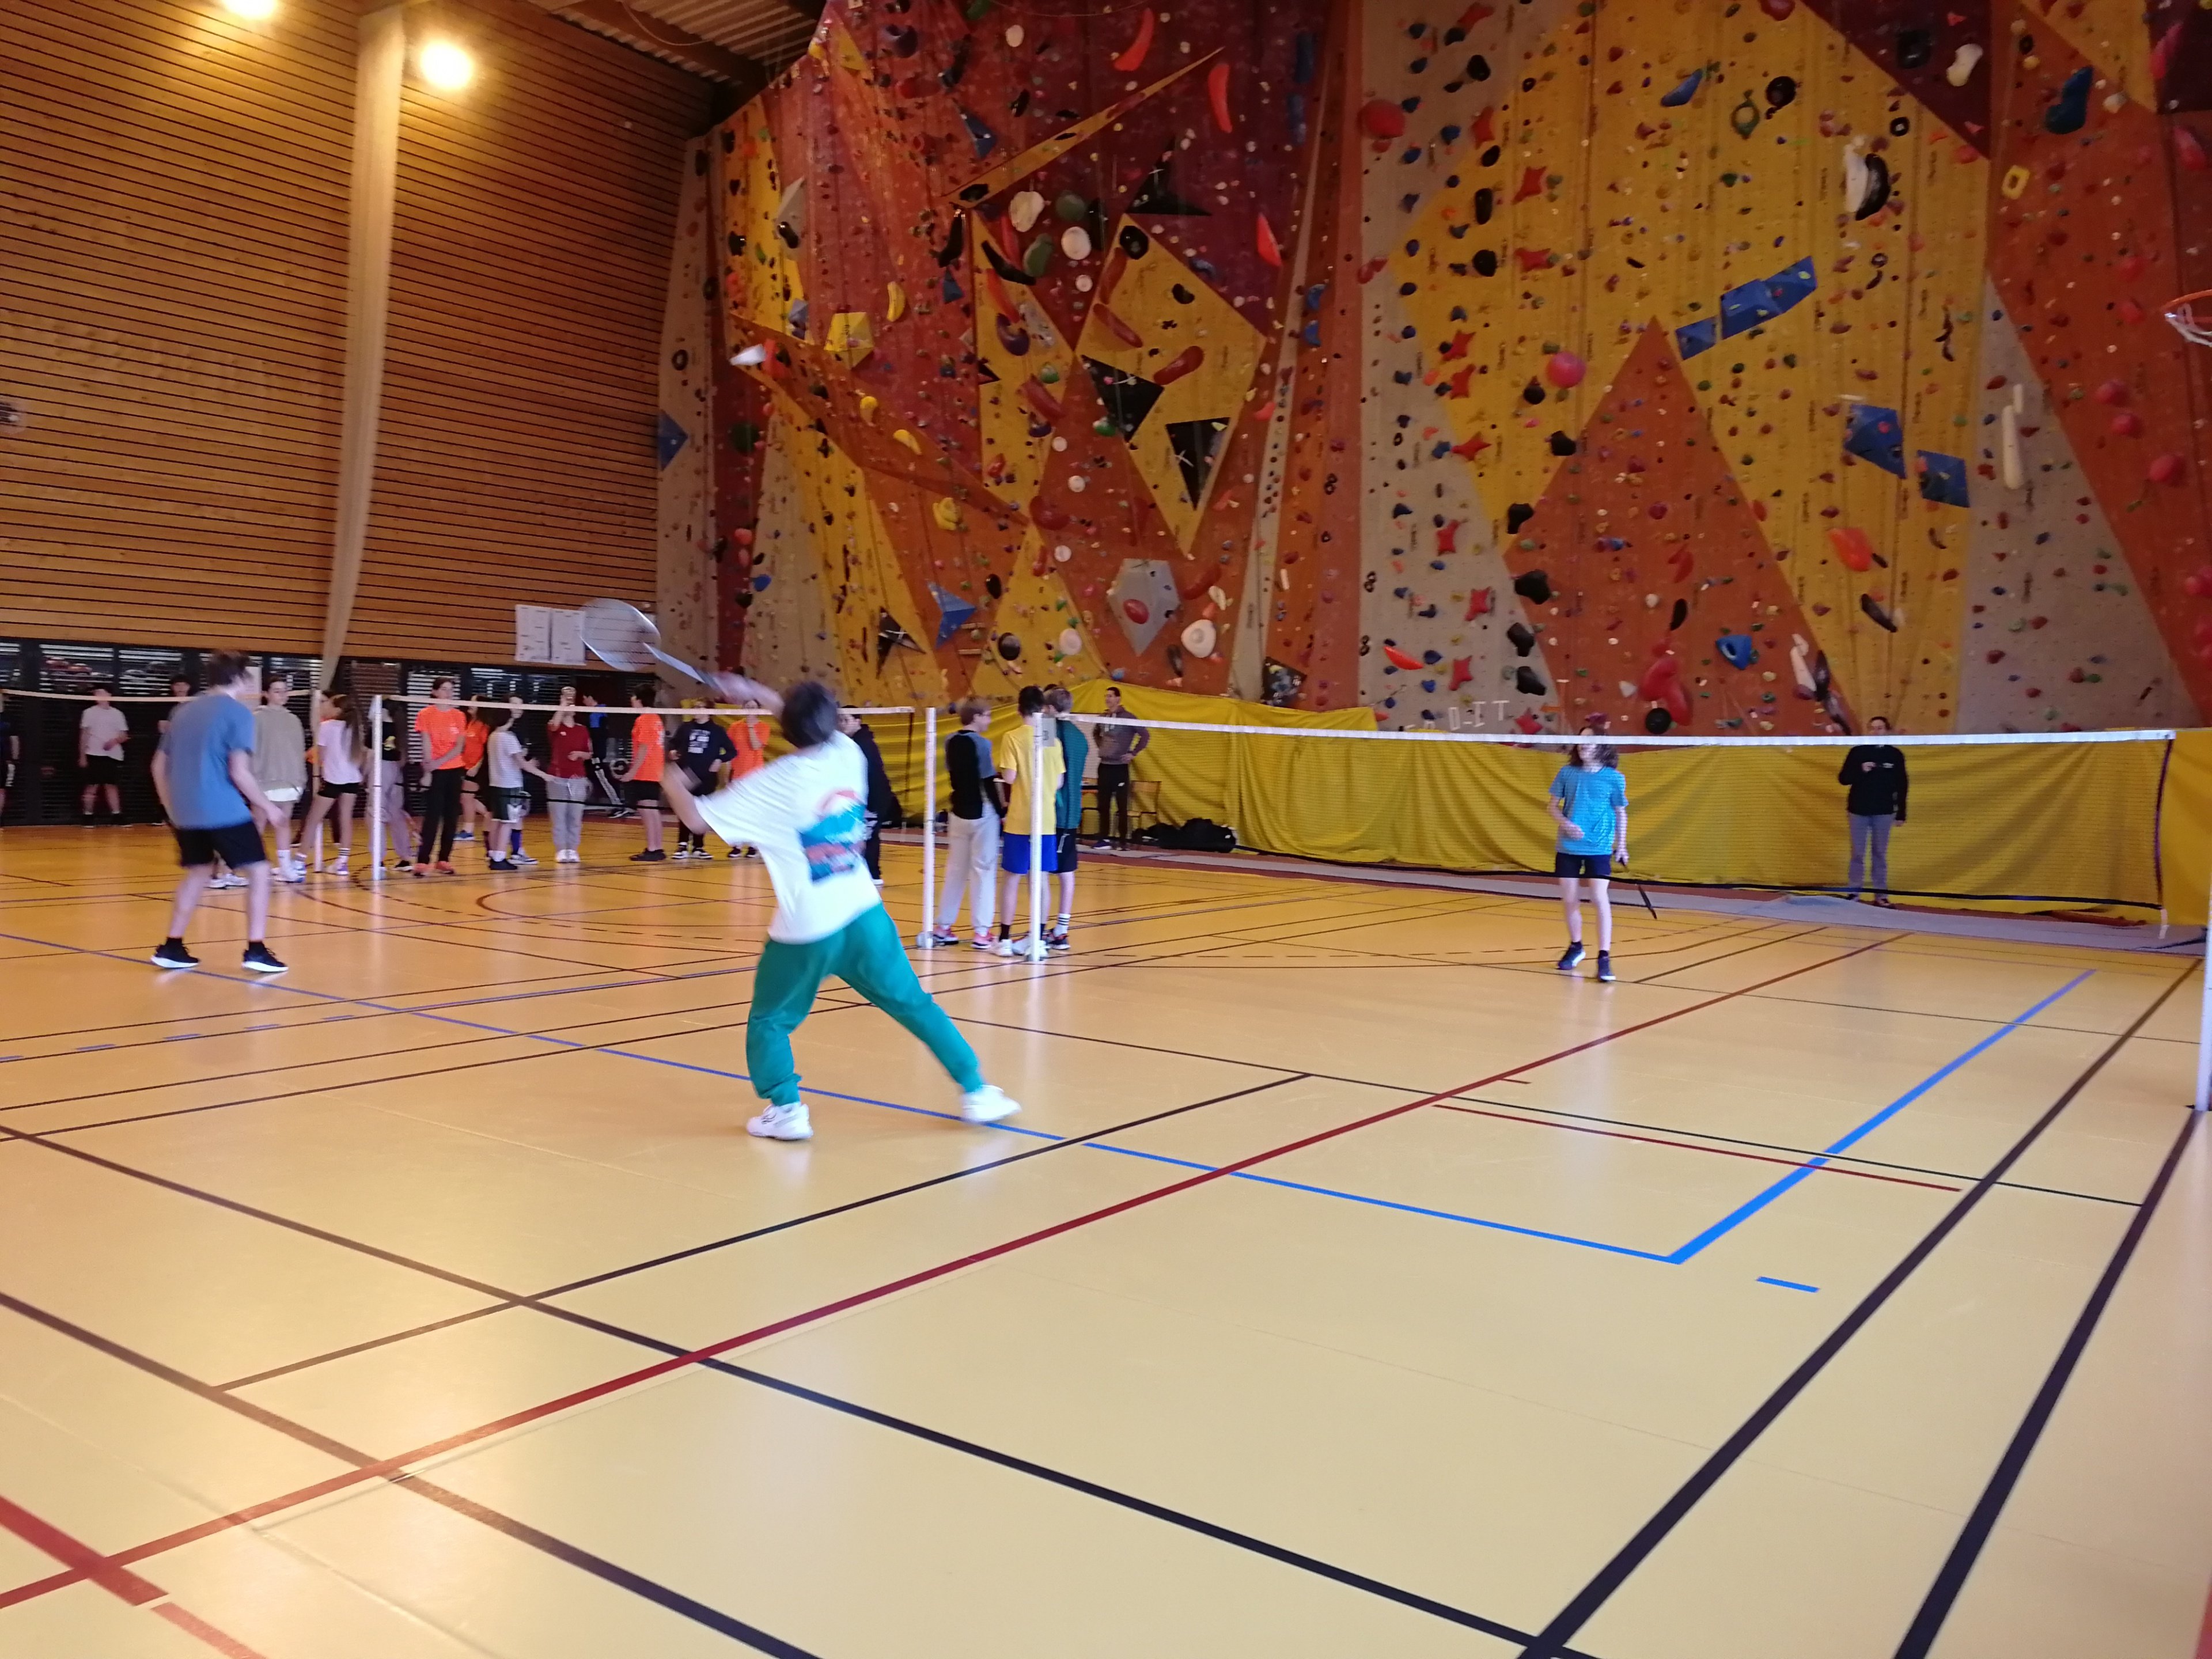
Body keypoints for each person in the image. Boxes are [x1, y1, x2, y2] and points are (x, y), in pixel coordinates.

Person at [661, 674, 1020, 1141]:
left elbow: (694, 819)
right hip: (865, 913)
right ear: (831, 720)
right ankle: (977, 1090)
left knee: (770, 1020)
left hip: (807, 932)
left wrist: (671, 777)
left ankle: (786, 1109)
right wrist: (753, 689)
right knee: (914, 1003)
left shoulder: (770, 784)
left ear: (787, 726)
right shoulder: (848, 752)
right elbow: (806, 720)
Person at [149, 652, 288, 974]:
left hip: (185, 811)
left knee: (198, 871)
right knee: (259, 871)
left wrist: (171, 808)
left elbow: (157, 766)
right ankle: (256, 949)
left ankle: (172, 946)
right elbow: (239, 772)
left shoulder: (183, 711)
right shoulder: (239, 714)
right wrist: (268, 807)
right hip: (221, 808)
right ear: (240, 678)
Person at [1547, 724, 1628, 983]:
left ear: (1602, 745)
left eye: (1590, 741)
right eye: (1580, 740)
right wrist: (1566, 824)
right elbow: (1552, 807)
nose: (1583, 745)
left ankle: (1604, 957)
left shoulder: (1614, 778)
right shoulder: (1567, 773)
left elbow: (1620, 813)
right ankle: (1576, 947)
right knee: (1570, 901)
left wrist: (1622, 845)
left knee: (1599, 898)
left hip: (1599, 847)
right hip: (1568, 847)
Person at [993, 685, 1065, 957]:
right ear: (1043, 708)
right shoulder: (1050, 738)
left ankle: (1005, 939)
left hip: (1021, 819)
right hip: (1045, 820)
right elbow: (1059, 782)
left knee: (1012, 878)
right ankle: (1038, 938)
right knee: (1041, 879)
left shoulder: (1012, 737)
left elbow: (1010, 777)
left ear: (1018, 709)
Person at [923, 698, 1001, 949]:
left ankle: (943, 927)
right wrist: (1002, 811)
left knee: (955, 870)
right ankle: (982, 932)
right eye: (987, 715)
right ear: (976, 717)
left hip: (957, 812)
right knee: (983, 870)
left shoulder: (950, 740)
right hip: (982, 812)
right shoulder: (983, 744)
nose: (989, 720)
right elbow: (987, 780)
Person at [1840, 715, 1908, 905]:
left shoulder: (1895, 755)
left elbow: (1902, 785)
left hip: (1884, 812)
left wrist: (1902, 812)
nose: (1876, 732)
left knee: (1879, 854)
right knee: (1858, 854)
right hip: (1858, 811)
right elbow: (1843, 779)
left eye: (1880, 728)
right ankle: (1854, 893)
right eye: (1872, 728)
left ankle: (1881, 895)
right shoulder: (1857, 752)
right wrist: (1860, 770)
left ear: (1887, 731)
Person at [299, 691, 366, 876]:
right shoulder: (355, 728)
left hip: (333, 780)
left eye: (328, 704)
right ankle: (342, 863)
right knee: (346, 819)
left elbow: (320, 755)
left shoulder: (327, 727)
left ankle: (299, 862)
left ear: (337, 710)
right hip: (352, 780)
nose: (324, 706)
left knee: (313, 820)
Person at [253, 676, 309, 882]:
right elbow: (250, 750)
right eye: (277, 691)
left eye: (285, 691)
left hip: (289, 778)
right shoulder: (256, 718)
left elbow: (299, 750)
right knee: (258, 823)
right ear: (266, 694)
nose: (282, 695)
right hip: (263, 779)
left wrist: (300, 777)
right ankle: (252, 867)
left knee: (284, 822)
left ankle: (285, 867)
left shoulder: (294, 720)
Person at [480, 707, 549, 872]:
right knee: (508, 823)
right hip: (510, 785)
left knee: (498, 821)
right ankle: (499, 858)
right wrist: (544, 775)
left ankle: (494, 855)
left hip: (496, 784)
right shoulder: (508, 737)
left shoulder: (493, 736)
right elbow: (521, 763)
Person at [412, 676, 468, 874]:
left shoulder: (459, 716)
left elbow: (459, 747)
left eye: (451, 690)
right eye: (444, 689)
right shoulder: (425, 714)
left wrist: (439, 762)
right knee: (432, 816)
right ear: (435, 692)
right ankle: (423, 860)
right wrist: (430, 769)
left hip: (455, 768)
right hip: (435, 770)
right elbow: (426, 743)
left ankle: (444, 859)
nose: (448, 693)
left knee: (451, 816)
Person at [840, 710, 902, 883]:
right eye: (840, 720)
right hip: (864, 799)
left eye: (846, 720)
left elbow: (869, 776)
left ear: (858, 721)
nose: (842, 724)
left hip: (874, 798)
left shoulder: (863, 744)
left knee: (868, 836)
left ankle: (873, 875)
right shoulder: (853, 742)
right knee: (860, 835)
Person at [1046, 686, 1085, 950]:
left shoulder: (1048, 731)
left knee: (1048, 873)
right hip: (1071, 814)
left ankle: (1055, 931)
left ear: (1050, 709)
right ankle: (1059, 929)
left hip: (1056, 813)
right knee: (1065, 872)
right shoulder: (1080, 737)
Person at [671, 704, 737, 857]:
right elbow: (674, 743)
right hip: (686, 775)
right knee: (685, 810)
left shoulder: (717, 731)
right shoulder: (685, 728)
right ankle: (682, 845)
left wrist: (719, 759)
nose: (696, 710)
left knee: (702, 812)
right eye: (694, 707)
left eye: (700, 707)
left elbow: (732, 751)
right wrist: (672, 751)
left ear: (709, 711)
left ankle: (698, 847)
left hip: (707, 777)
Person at [1090, 685, 1149, 847]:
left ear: (1118, 698)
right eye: (1106, 696)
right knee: (1103, 804)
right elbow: (1095, 732)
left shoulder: (1128, 717)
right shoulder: (1103, 717)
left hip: (1119, 768)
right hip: (1104, 767)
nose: (1108, 699)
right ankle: (1104, 839)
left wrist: (1133, 753)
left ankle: (1123, 840)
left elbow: (1145, 735)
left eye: (1110, 696)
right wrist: (1103, 747)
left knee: (1122, 805)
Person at [545, 695, 593, 863]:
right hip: (557, 778)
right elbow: (554, 725)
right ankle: (561, 850)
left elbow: (590, 753)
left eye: (571, 705)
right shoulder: (555, 726)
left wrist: (580, 754)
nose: (569, 707)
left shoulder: (582, 730)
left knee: (575, 817)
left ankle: (572, 849)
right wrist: (562, 704)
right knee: (559, 817)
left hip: (578, 779)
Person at [623, 691, 668, 862]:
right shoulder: (656, 718)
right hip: (654, 771)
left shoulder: (645, 719)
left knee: (647, 810)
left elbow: (644, 748)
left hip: (646, 771)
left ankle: (653, 849)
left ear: (639, 699)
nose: (631, 701)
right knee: (651, 810)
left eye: (633, 697)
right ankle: (657, 848)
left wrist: (632, 772)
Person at [78, 683, 128, 825]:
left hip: (112, 755)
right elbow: (84, 735)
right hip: (93, 754)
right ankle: (88, 815)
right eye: (96, 693)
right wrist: (82, 756)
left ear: (109, 695)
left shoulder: (117, 714)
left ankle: (117, 815)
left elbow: (124, 735)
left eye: (101, 693)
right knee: (92, 785)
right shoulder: (89, 712)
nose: (97, 696)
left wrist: (114, 741)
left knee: (111, 785)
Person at [456, 702, 489, 844]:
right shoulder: (471, 723)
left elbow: (486, 750)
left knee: (466, 797)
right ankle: (490, 814)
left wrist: (477, 767)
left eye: (474, 702)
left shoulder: (484, 726)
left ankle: (468, 831)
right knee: (463, 797)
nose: (470, 704)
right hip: (465, 765)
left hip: (476, 768)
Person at [0, 692, 17, 824]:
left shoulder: (9, 718)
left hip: (4, 758)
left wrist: (14, 759)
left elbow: (14, 738)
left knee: (2, 789)